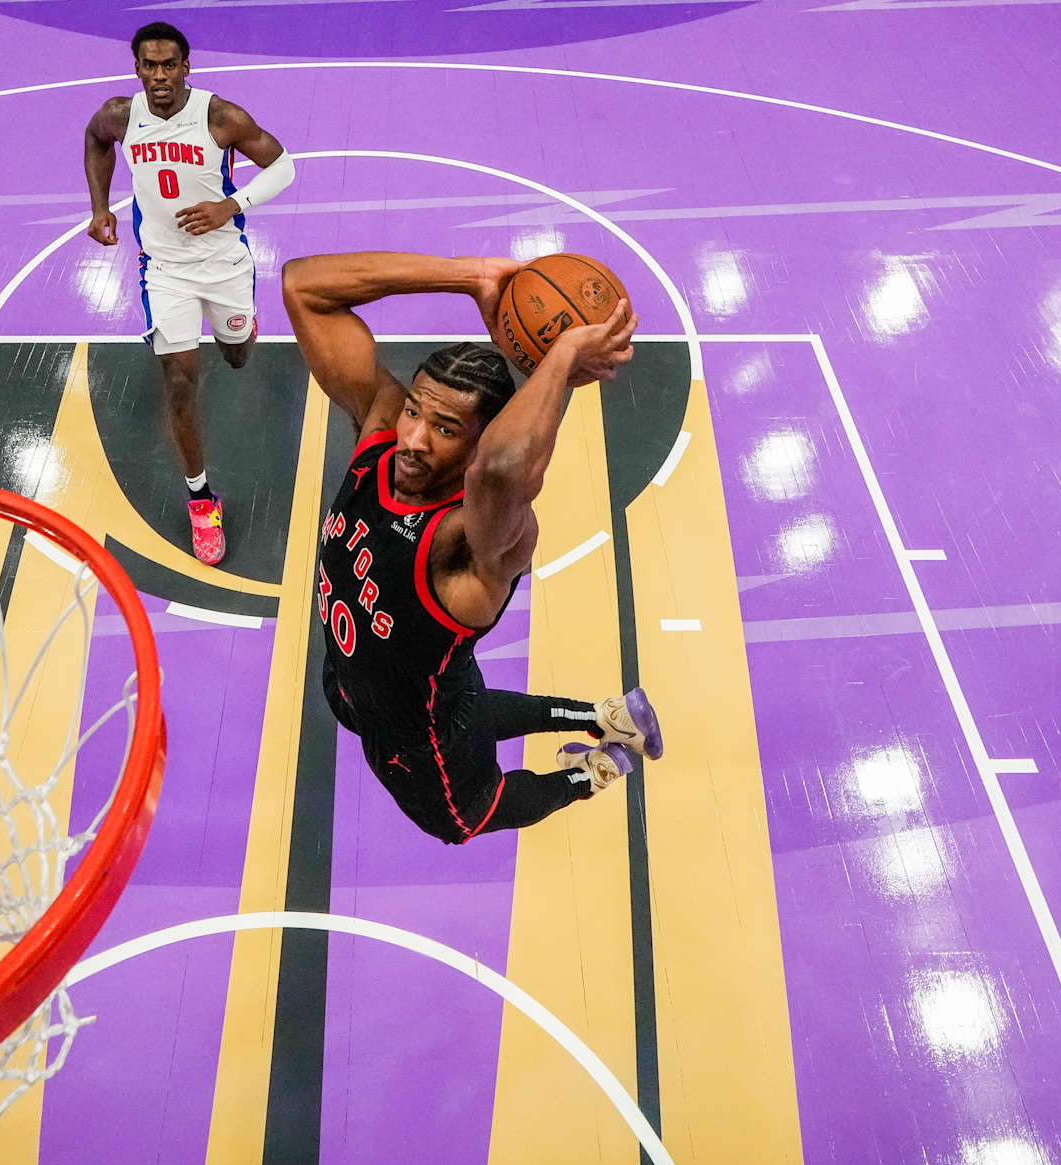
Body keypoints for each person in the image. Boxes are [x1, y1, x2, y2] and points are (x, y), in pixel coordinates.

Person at [281, 251, 663, 844]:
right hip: (368, 685)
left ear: (478, 444)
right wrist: (472, 278)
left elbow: (504, 468)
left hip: (424, 741)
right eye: (415, 410)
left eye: (446, 429)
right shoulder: (381, 433)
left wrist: (559, 359)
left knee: (472, 816)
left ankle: (592, 774)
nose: (412, 438)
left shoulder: (471, 540)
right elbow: (303, 286)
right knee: (470, 702)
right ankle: (610, 718)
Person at [83, 22, 294, 566]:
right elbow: (95, 140)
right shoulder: (120, 115)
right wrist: (99, 206)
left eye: (169, 64)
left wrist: (232, 205)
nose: (159, 75)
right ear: (137, 69)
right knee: (179, 380)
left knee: (238, 357)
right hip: (164, 269)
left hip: (223, 263)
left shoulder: (220, 116)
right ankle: (202, 499)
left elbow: (283, 166)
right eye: (149, 65)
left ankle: (241, 331)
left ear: (186, 67)